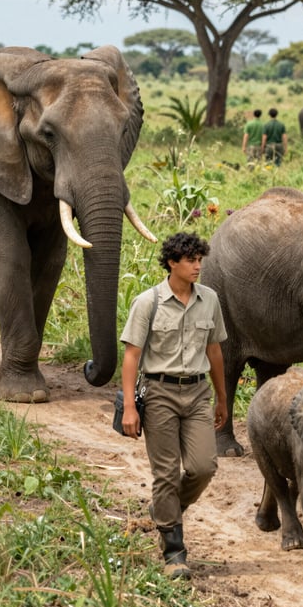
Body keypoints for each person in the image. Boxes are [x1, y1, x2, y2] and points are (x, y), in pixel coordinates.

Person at [119, 232, 227, 580]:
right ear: (171, 263)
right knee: (165, 473)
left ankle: (166, 510)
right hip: (160, 393)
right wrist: (130, 410)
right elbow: (132, 357)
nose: (198, 266)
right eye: (191, 260)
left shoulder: (209, 300)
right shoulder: (147, 302)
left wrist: (223, 398)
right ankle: (174, 552)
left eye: (200, 260)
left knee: (203, 466)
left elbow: (214, 351)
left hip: (197, 393)